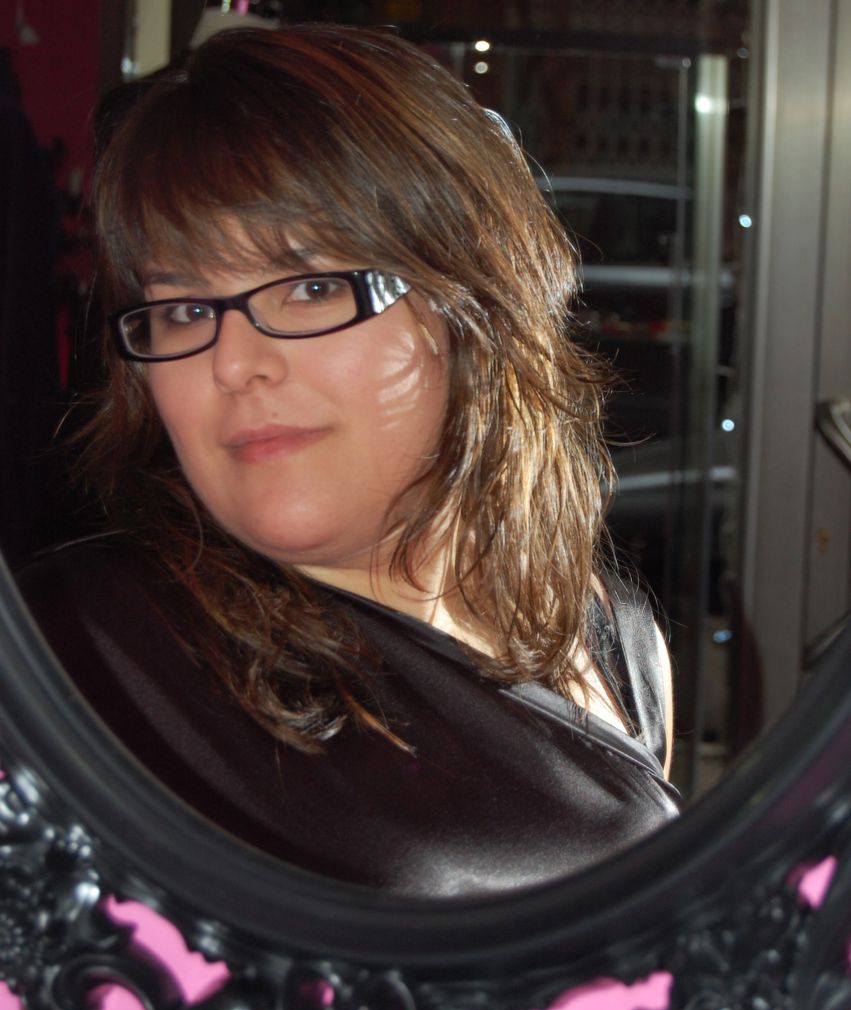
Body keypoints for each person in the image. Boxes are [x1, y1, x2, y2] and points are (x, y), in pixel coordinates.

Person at [19, 24, 679, 897]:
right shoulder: (69, 661)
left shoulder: (608, 634)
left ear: (473, 307)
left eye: (311, 286)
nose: (232, 363)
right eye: (183, 310)